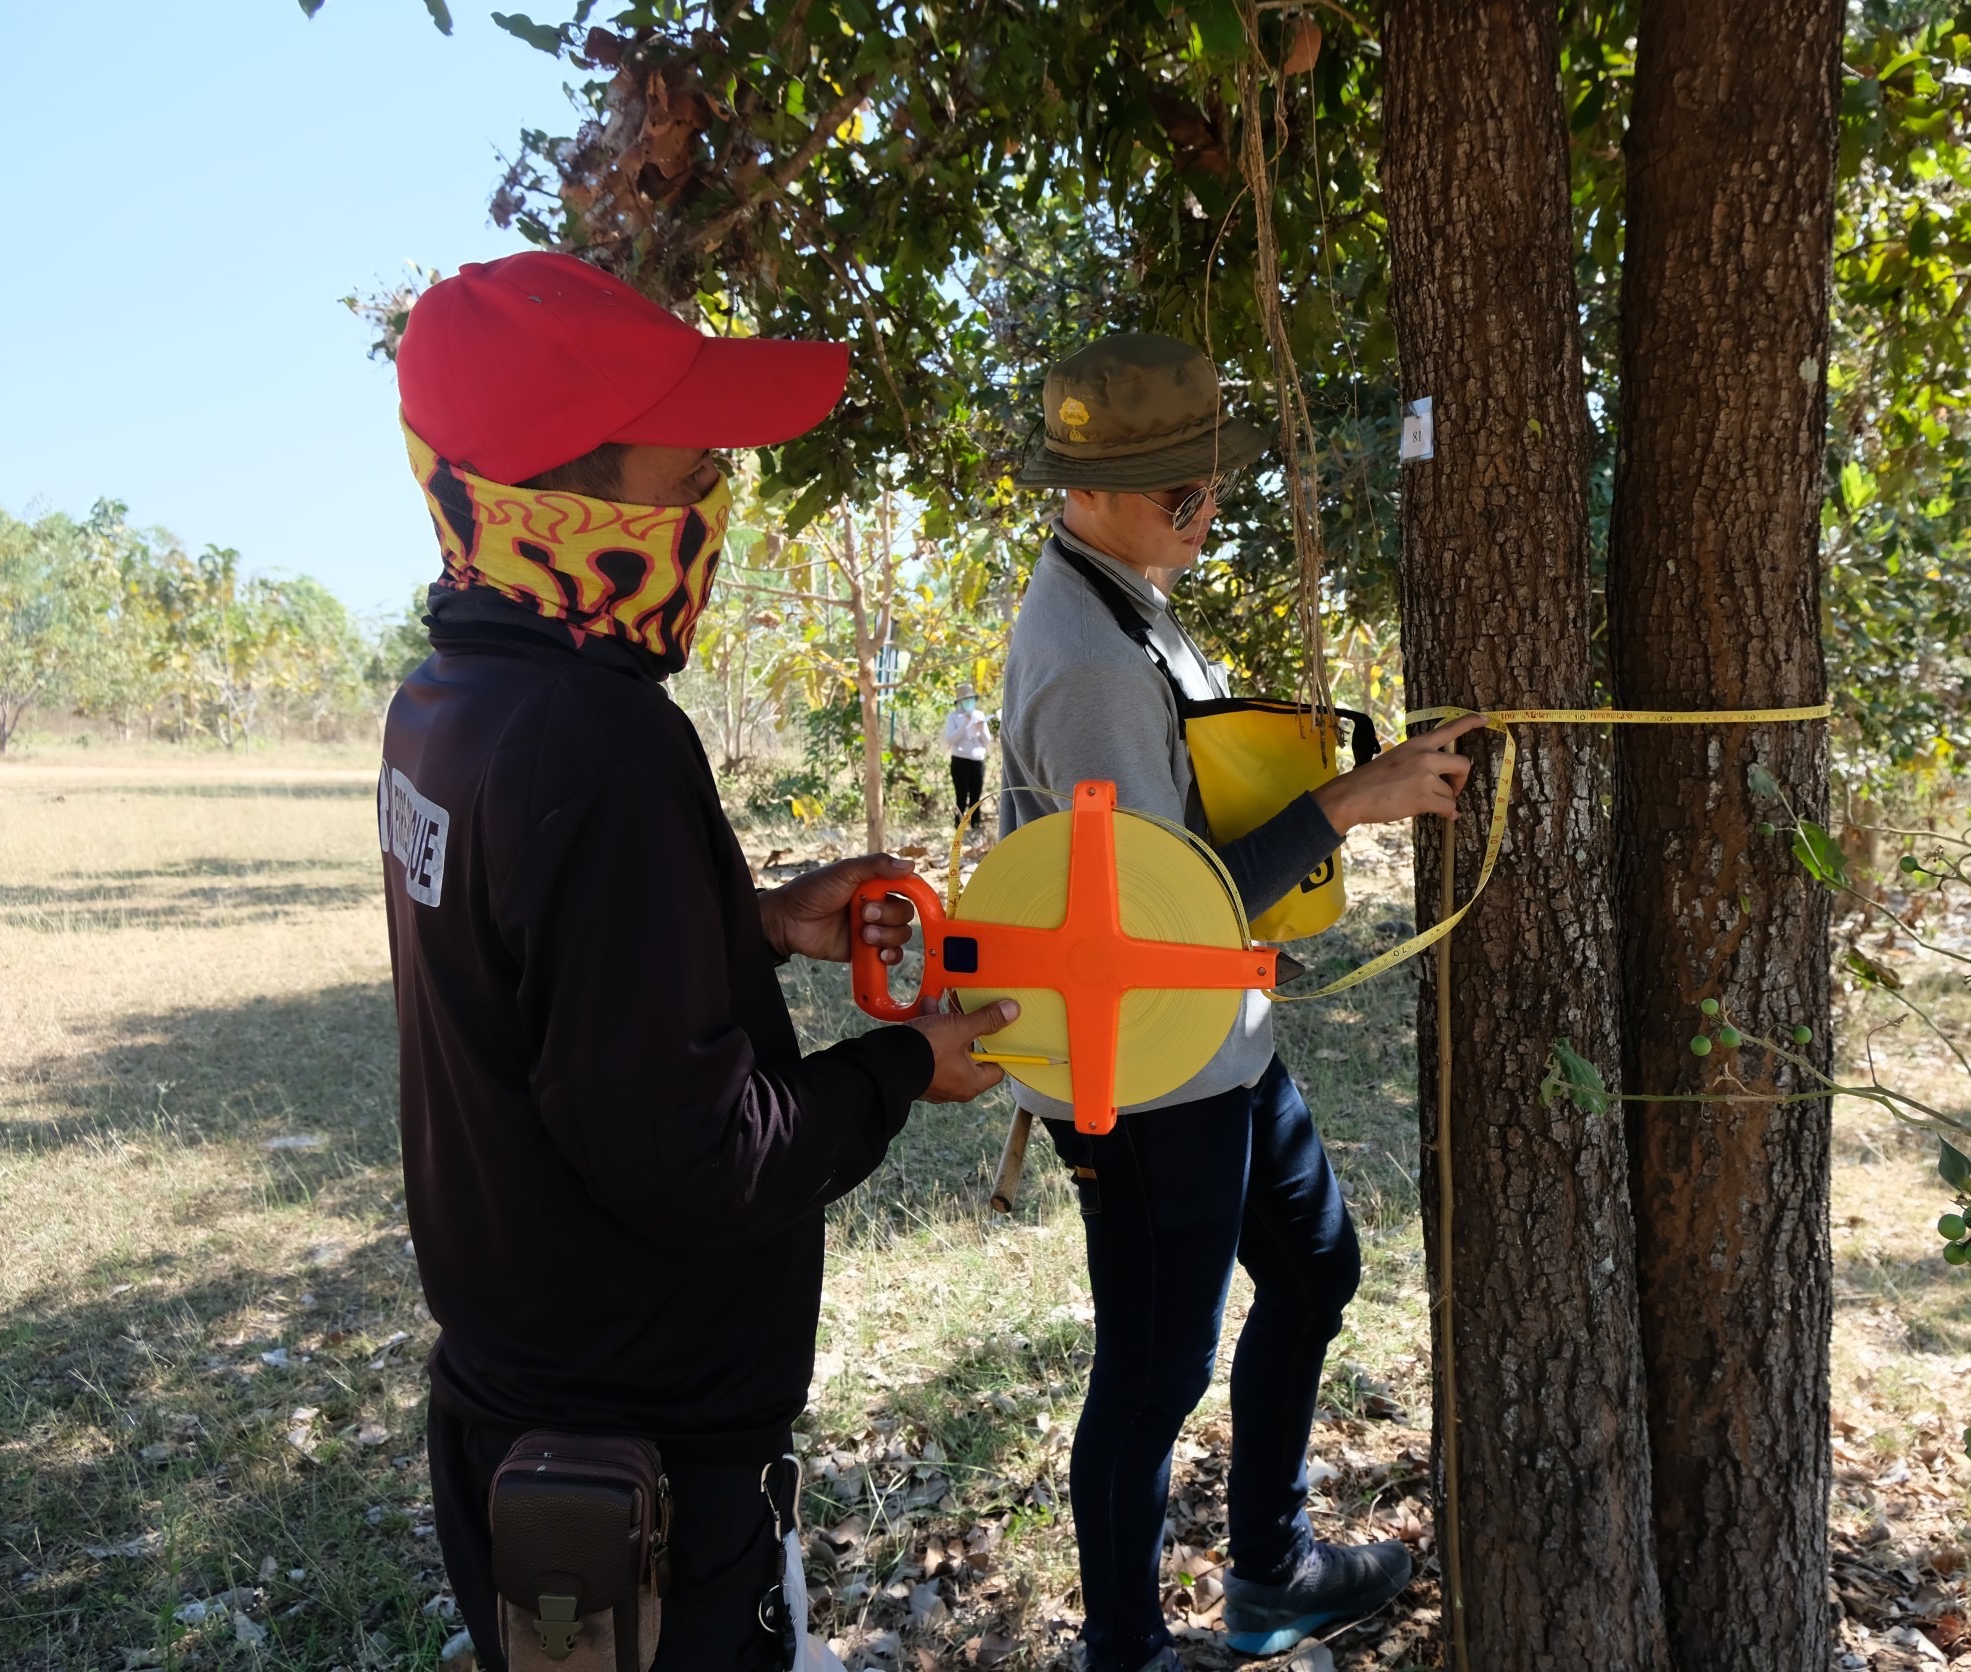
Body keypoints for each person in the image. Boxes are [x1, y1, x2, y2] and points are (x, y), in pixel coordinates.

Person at [378, 250, 1016, 1672]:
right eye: (693, 469)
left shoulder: (451, 700)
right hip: (642, 1467)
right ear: (570, 505)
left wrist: (751, 923)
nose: (721, 499)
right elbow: (699, 1159)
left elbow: (538, 971)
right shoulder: (599, 743)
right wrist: (901, 1065)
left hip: (518, 1408)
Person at [1000, 332, 1484, 1672]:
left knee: (1316, 1268)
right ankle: (1127, 1650)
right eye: (1178, 489)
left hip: (1221, 1048)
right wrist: (1349, 802)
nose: (1204, 508)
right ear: (1084, 488)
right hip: (1147, 1073)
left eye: (1211, 481)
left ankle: (1271, 1571)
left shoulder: (1124, 596)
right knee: (1153, 1376)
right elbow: (1168, 915)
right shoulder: (1093, 662)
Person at [942, 684, 990, 830]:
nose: (969, 702)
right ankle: (959, 826)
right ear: (960, 701)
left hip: (977, 761)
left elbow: (987, 741)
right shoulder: (953, 717)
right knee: (961, 796)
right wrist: (964, 723)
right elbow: (950, 740)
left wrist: (981, 729)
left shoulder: (980, 715)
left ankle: (975, 825)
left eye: (971, 698)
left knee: (976, 796)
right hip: (960, 761)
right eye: (966, 699)